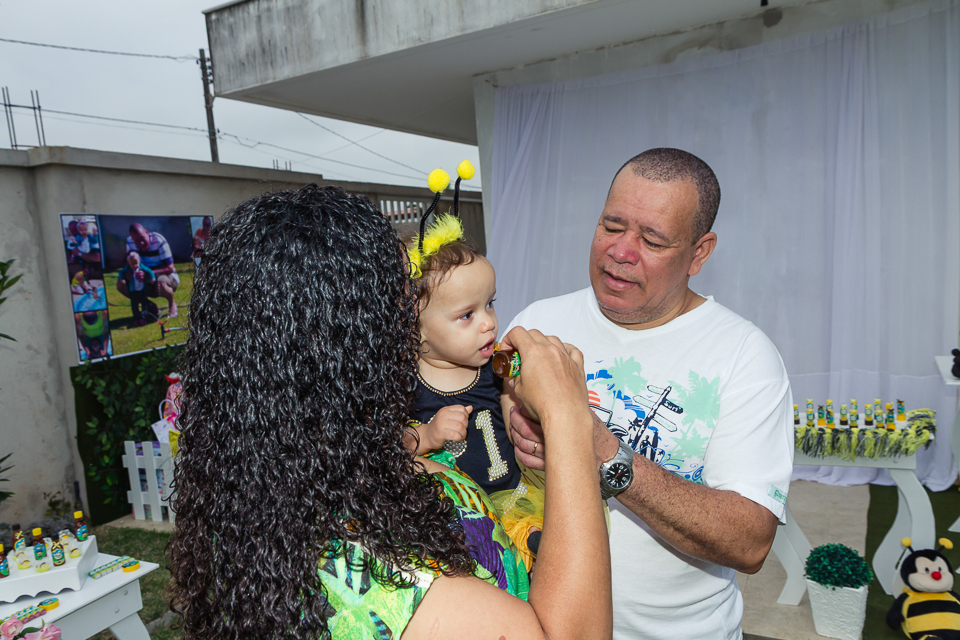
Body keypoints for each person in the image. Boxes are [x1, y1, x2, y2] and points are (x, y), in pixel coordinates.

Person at [168, 184, 612, 640]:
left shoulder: (270, 496)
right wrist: (567, 418)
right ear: (345, 351)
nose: (410, 328)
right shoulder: (390, 582)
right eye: (399, 310)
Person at [505, 148, 794, 640]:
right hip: (534, 623)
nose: (621, 251)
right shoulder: (537, 323)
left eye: (653, 239)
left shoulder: (745, 356)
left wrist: (598, 448)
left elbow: (750, 542)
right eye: (611, 226)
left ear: (699, 253)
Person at [403, 213, 543, 571]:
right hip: (452, 515)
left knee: (535, 545)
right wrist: (428, 435)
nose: (489, 322)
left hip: (511, 502)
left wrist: (526, 393)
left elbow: (520, 414)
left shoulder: (497, 366)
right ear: (416, 331)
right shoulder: (404, 385)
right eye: (467, 314)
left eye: (490, 303)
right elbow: (390, 448)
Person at [121, 222, 179, 317]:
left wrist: (150, 273)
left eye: (142, 238)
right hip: (143, 279)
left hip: (164, 276)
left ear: (146, 232)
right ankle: (148, 305)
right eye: (137, 241)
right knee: (121, 283)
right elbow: (129, 264)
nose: (141, 243)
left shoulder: (159, 240)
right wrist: (129, 273)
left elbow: (170, 268)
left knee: (161, 284)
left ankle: (172, 304)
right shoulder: (130, 242)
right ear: (132, 239)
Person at [118, 250, 158, 326]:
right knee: (134, 306)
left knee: (144, 305)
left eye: (136, 263)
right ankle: (136, 318)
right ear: (129, 263)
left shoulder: (141, 267)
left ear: (139, 261)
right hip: (133, 291)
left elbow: (149, 271)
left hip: (142, 290)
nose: (134, 266)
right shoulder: (128, 269)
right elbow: (121, 272)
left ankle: (144, 317)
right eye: (132, 264)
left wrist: (153, 278)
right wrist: (122, 279)